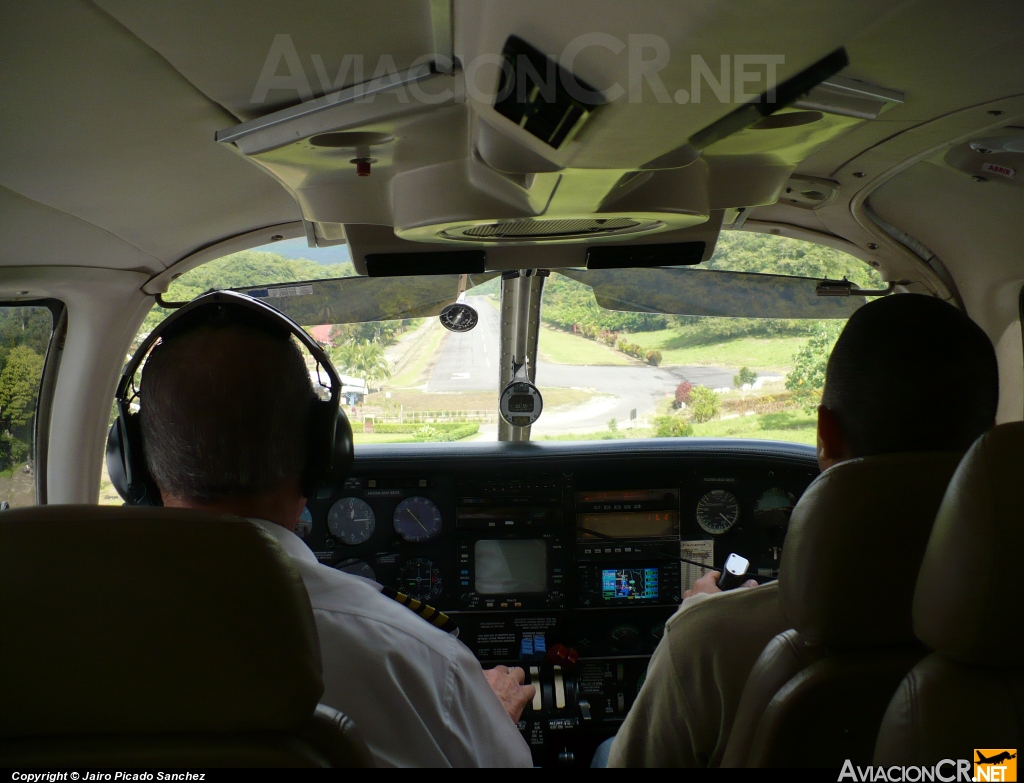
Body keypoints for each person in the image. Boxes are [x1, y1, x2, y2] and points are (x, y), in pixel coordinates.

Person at [604, 293, 1000, 768]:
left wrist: (708, 620)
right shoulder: (1005, 631)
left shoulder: (707, 644)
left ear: (825, 434)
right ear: (988, 436)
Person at [138, 305, 535, 768]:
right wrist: (490, 717)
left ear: (133, 467)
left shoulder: (59, 638)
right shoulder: (420, 659)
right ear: (323, 459)